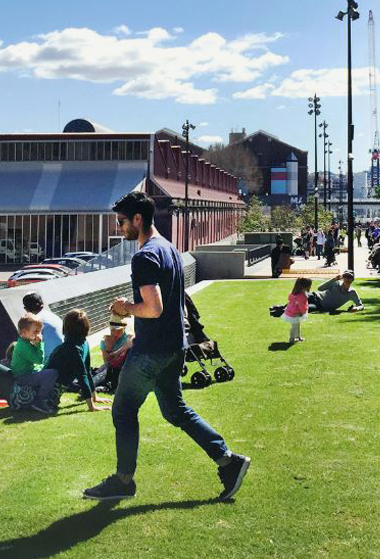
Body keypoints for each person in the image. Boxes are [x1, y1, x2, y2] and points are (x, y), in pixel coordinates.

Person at [83, 191, 250, 501]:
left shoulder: (144, 255)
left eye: (122, 222)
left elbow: (153, 307)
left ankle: (123, 482)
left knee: (122, 409)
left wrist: (124, 307)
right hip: (174, 346)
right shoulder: (170, 249)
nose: (119, 228)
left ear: (137, 219)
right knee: (176, 411)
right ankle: (229, 461)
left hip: (152, 352)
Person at [47, 309, 112, 412]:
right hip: (48, 390)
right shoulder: (73, 347)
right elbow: (82, 376)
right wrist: (92, 407)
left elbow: (87, 372)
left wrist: (95, 398)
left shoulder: (83, 343)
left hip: (56, 386)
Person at [11, 313, 59, 414]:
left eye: (40, 331)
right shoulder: (23, 346)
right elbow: (38, 360)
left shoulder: (26, 342)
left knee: (50, 366)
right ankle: (39, 400)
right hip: (22, 377)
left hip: (29, 372)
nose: (39, 334)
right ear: (24, 332)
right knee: (52, 373)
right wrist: (39, 344)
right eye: (35, 331)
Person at [22, 292, 64, 363]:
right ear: (42, 304)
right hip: (66, 357)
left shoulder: (35, 322)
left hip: (54, 363)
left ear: (26, 309)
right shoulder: (51, 315)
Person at [98, 312, 134, 392]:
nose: (115, 333)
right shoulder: (105, 340)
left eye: (119, 330)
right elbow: (107, 362)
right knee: (103, 372)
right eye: (113, 330)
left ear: (124, 328)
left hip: (124, 369)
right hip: (111, 369)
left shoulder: (129, 338)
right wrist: (108, 348)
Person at [280, 277, 311, 344]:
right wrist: (303, 312)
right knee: (295, 326)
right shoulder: (302, 295)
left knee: (297, 325)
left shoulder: (293, 293)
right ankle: (292, 339)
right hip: (296, 313)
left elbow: (290, 300)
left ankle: (298, 336)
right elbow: (302, 306)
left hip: (291, 311)